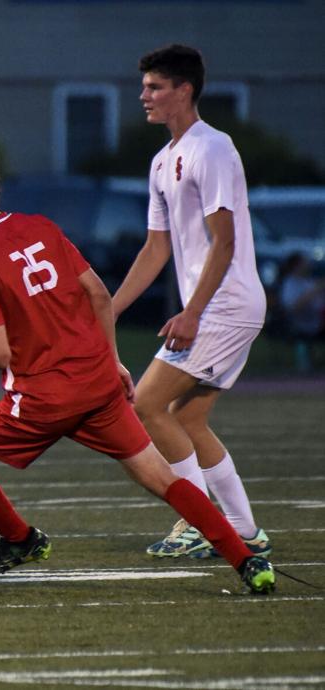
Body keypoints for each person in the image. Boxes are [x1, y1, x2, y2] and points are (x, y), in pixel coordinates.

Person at [0, 145, 274, 594]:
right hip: (97, 383)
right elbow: (99, 295)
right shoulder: (41, 226)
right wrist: (113, 361)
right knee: (162, 479)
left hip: (45, 399)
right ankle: (247, 561)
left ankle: (20, 540)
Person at [112, 44, 271, 560]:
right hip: (219, 308)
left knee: (148, 405)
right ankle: (243, 529)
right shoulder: (163, 161)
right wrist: (108, 311)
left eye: (155, 87)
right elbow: (156, 248)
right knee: (188, 419)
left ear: (185, 90)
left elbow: (223, 242)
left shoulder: (214, 148)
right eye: (144, 87)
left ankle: (198, 521)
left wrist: (193, 312)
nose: (144, 96)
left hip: (225, 306)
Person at [277, 252, 325, 373]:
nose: (309, 265)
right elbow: (292, 308)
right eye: (305, 262)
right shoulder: (289, 284)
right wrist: (312, 293)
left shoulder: (309, 282)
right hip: (298, 324)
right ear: (296, 265)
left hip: (318, 322)